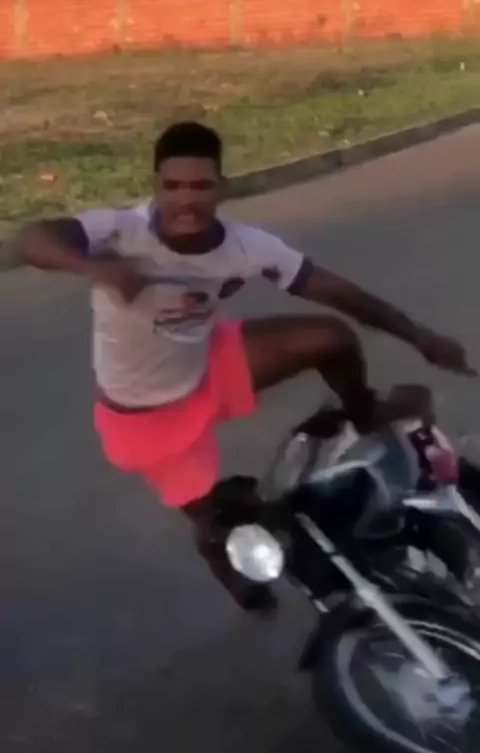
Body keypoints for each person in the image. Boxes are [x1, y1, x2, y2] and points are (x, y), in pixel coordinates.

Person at [16, 121, 475, 615]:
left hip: (207, 362)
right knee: (224, 520)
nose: (185, 201)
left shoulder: (245, 246)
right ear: (155, 186)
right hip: (146, 415)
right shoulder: (118, 231)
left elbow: (340, 293)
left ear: (222, 188)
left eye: (200, 186)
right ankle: (226, 567)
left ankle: (365, 414)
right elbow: (32, 239)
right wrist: (97, 268)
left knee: (331, 337)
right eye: (172, 186)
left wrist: (421, 337)